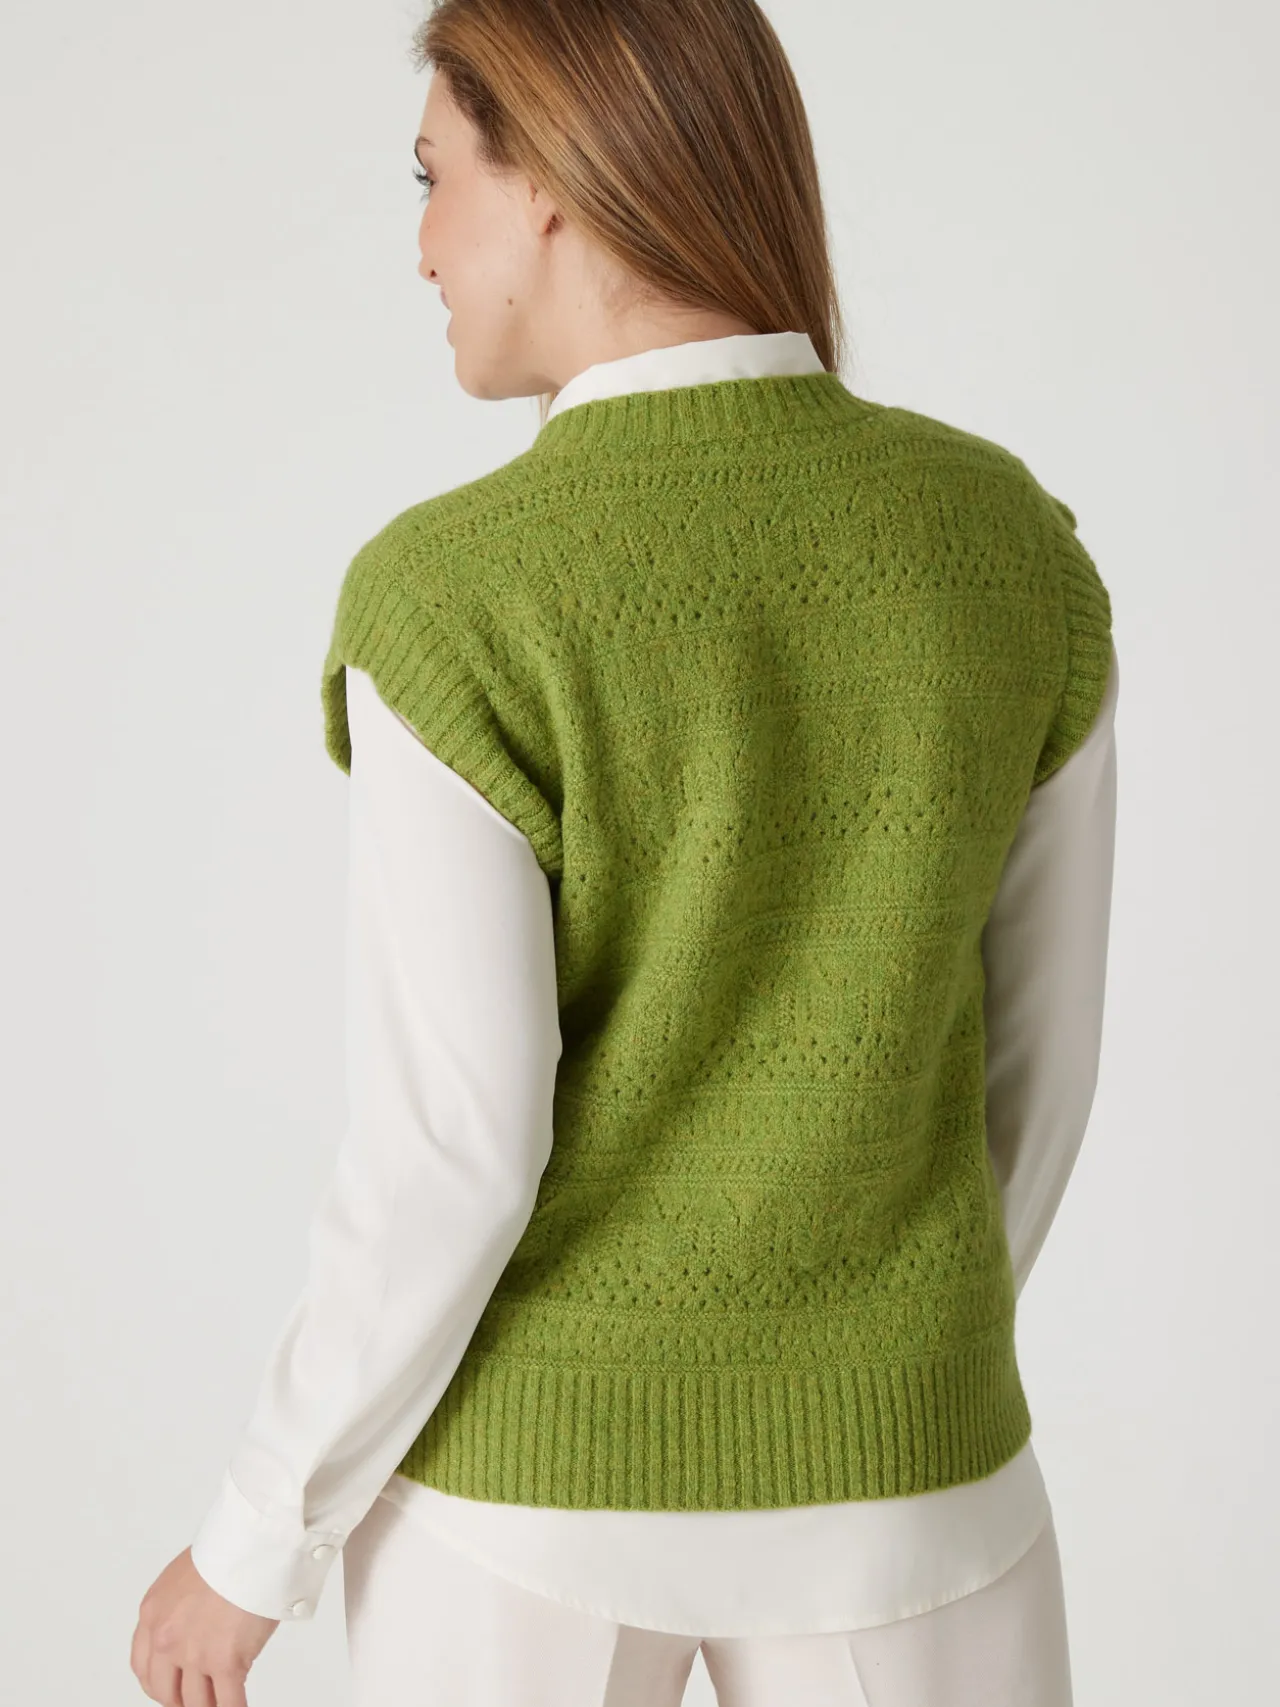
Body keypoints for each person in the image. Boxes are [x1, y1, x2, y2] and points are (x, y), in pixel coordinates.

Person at [130, 2, 1117, 1703]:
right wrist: (891, 1355)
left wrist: (252, 1538)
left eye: (432, 178)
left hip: (523, 1513)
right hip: (921, 1493)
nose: (421, 246)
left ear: (551, 182)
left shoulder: (455, 594)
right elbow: (1039, 1070)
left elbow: (455, 1148)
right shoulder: (1010, 547)